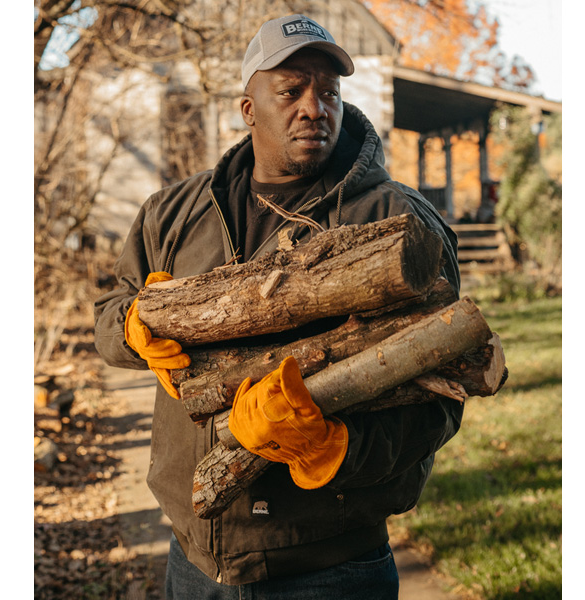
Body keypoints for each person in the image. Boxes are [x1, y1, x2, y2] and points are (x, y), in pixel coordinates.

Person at [94, 13, 462, 599]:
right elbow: (108, 313)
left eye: (329, 92)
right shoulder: (173, 213)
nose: (315, 107)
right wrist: (134, 323)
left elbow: (439, 396)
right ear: (248, 109)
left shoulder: (396, 224)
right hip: (195, 563)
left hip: (331, 570)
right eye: (291, 90)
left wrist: (337, 449)